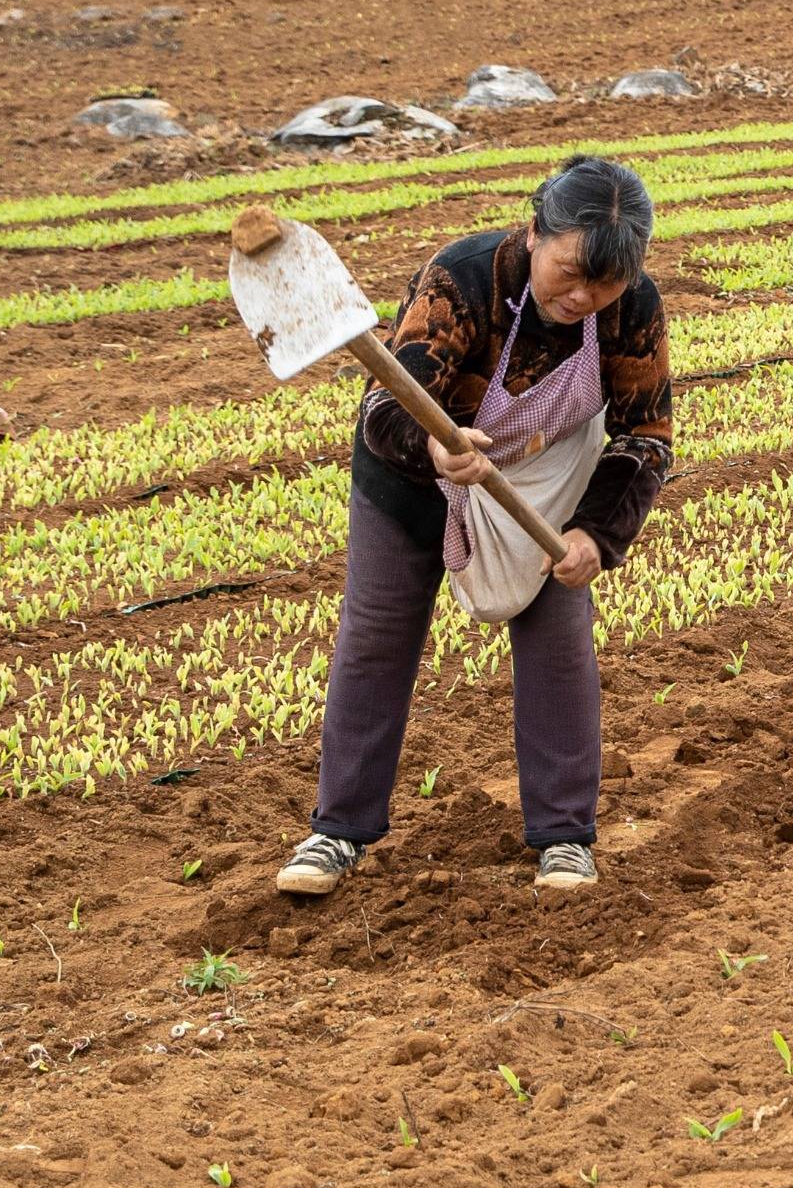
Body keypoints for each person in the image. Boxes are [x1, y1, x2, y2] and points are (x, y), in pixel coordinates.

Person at [277, 158, 673, 894]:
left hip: (545, 485)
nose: (584, 296)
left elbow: (644, 436)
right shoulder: (461, 276)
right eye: (569, 273)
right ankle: (337, 831)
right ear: (534, 233)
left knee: (557, 641)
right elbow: (385, 405)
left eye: (606, 284)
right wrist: (432, 445)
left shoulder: (633, 309)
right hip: (416, 473)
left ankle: (564, 839)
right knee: (377, 636)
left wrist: (596, 533)